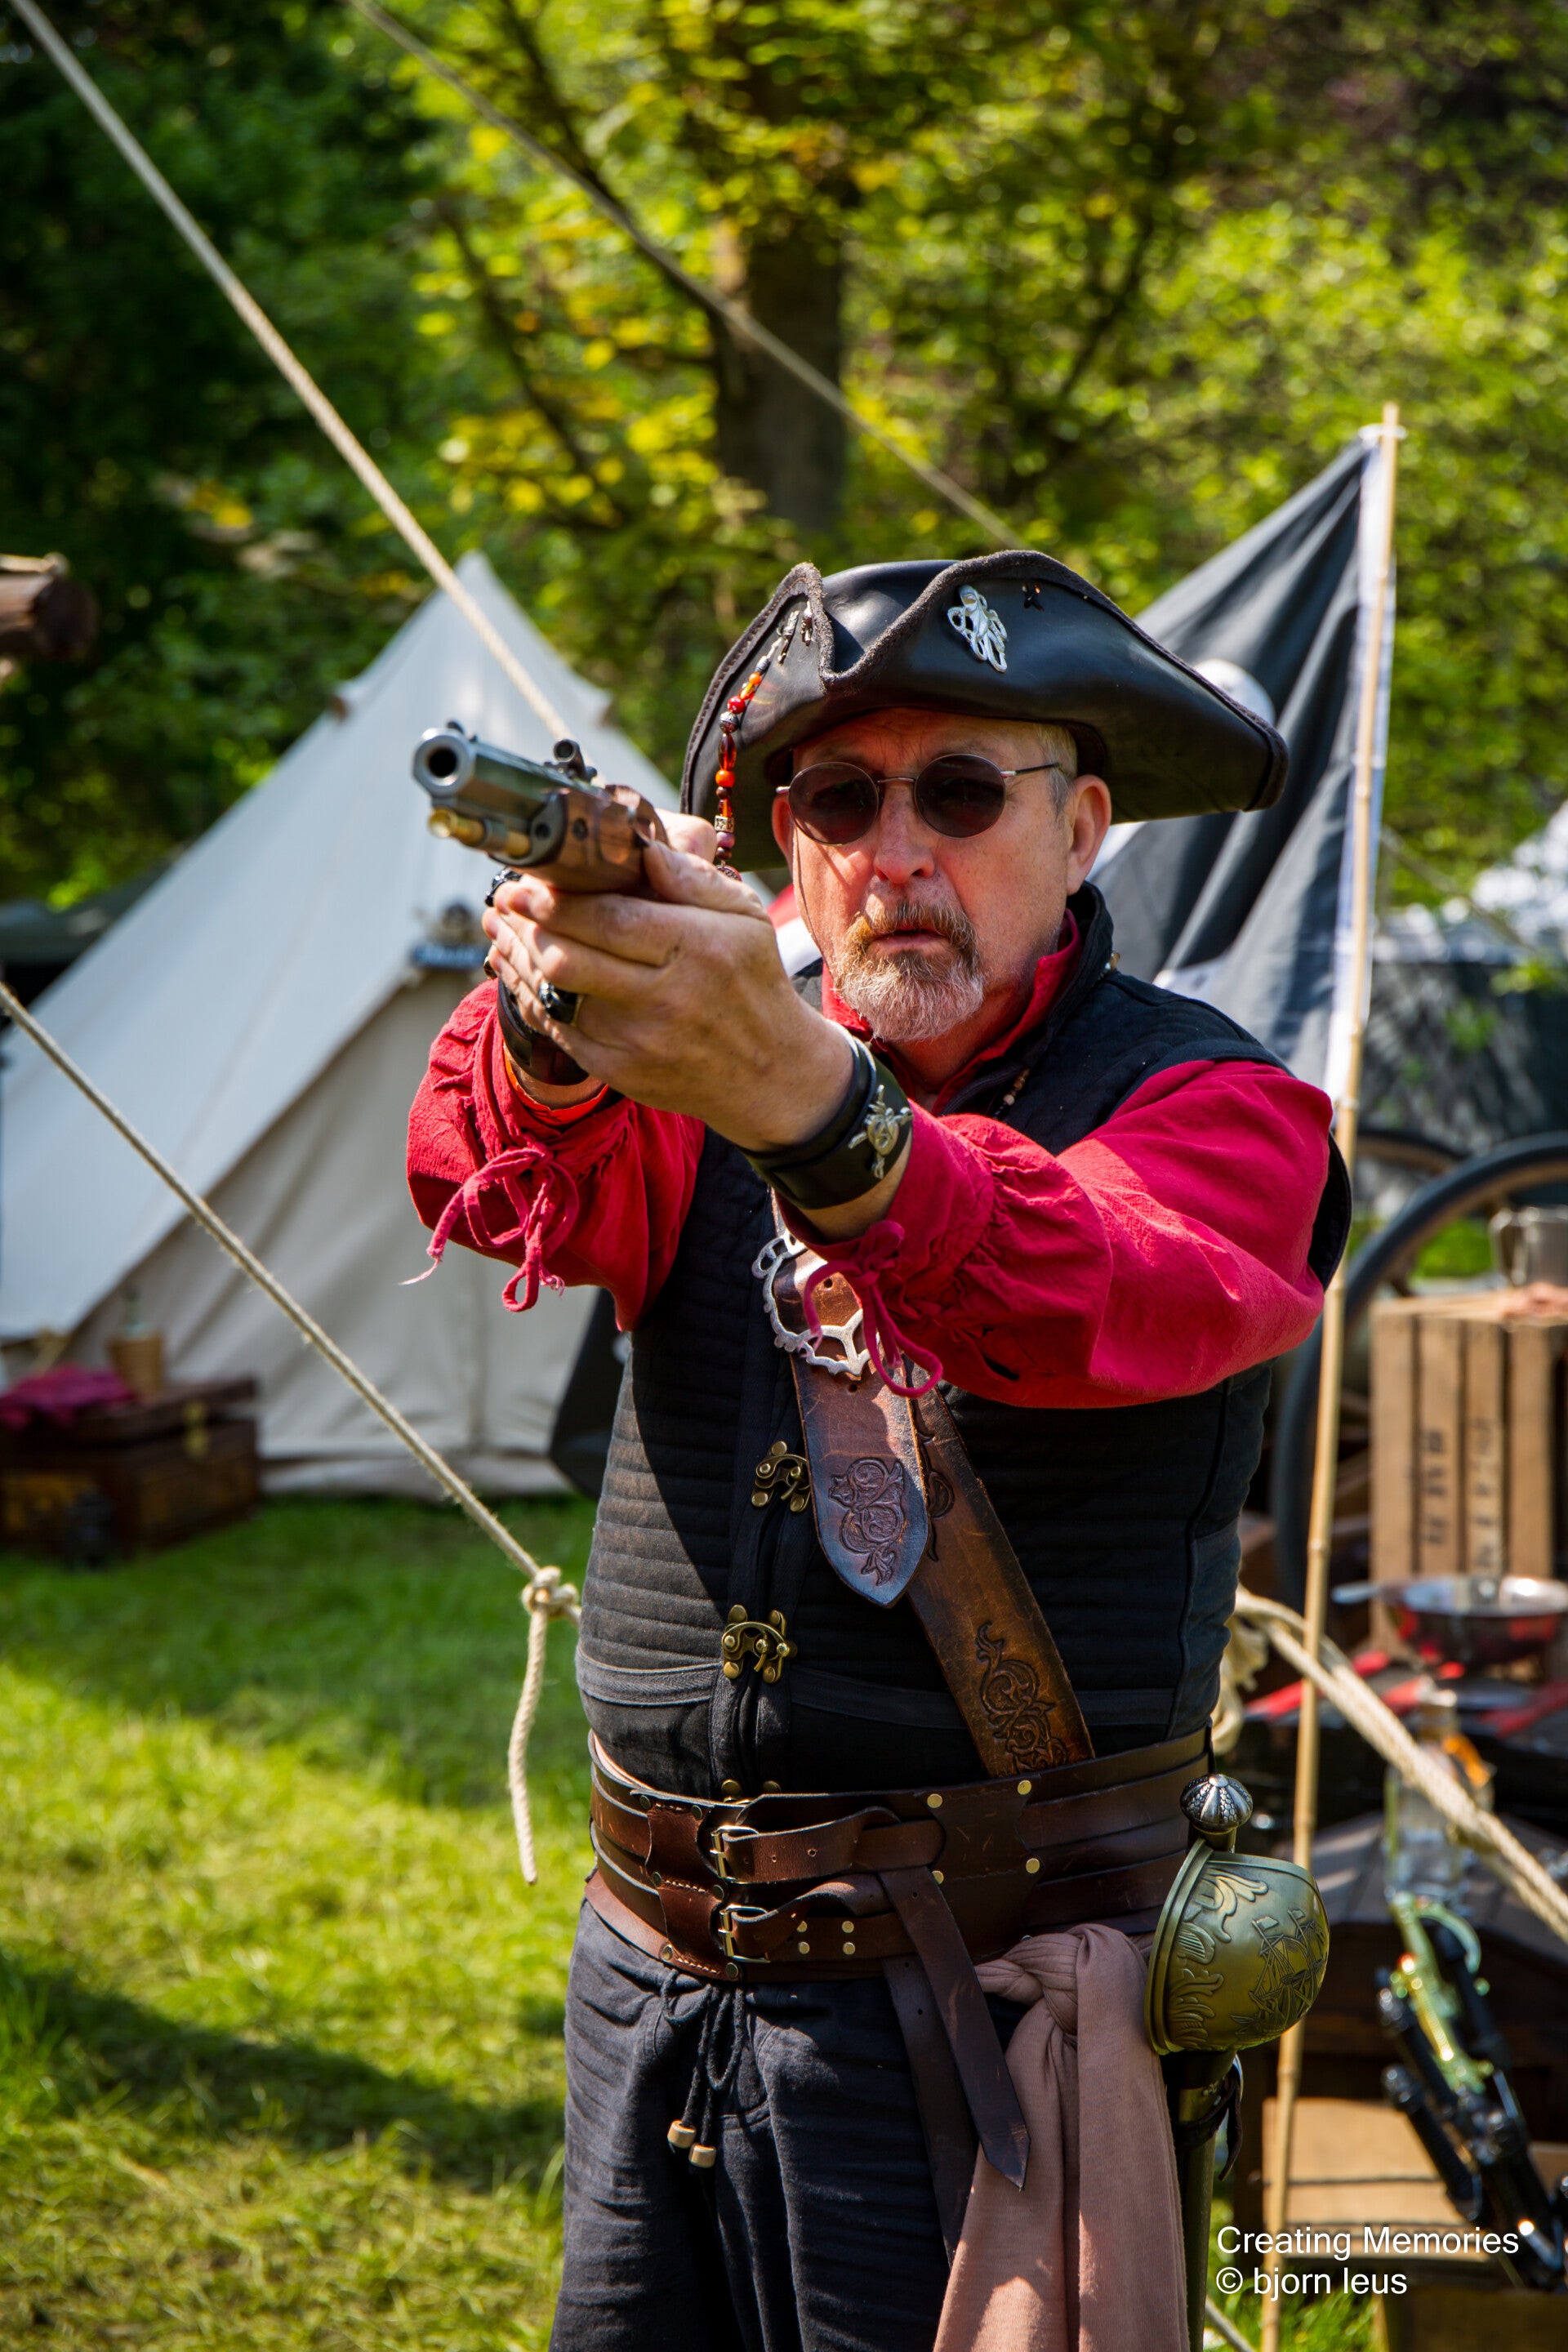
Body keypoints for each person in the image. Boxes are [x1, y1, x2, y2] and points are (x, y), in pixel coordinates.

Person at [407, 555, 1348, 2352]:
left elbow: (1086, 1286)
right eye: (841, 801)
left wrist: (807, 1104)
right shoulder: (710, 1055)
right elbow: (504, 1184)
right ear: (790, 846)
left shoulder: (1223, 1105)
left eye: (962, 794)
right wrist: (557, 1015)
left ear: (1081, 830)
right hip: (653, 1966)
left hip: (997, 2002)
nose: (895, 853)